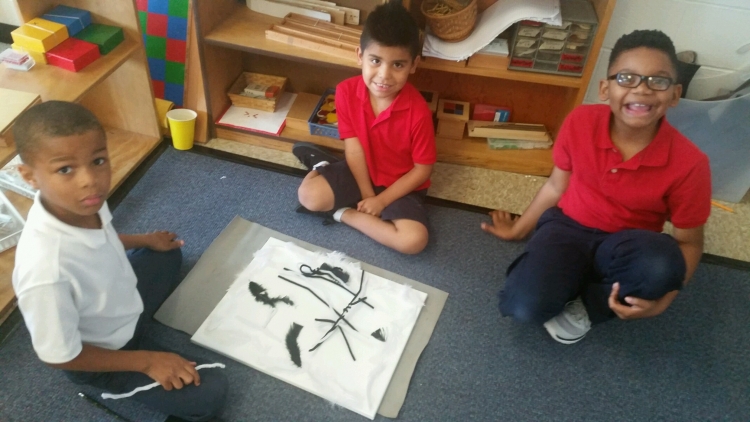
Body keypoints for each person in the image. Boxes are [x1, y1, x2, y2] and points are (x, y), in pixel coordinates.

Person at [481, 30, 711, 344]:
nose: (642, 89)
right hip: (566, 227)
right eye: (627, 78)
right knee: (523, 307)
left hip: (626, 246)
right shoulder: (579, 121)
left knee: (661, 265)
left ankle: (591, 305)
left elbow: (690, 244)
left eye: (658, 80)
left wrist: (664, 301)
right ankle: (573, 277)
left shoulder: (691, 163)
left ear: (674, 94)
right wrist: (518, 229)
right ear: (605, 89)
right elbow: (556, 186)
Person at [12, 101, 227, 420]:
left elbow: (102, 238)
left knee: (167, 252)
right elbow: (59, 356)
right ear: (29, 176)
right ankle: (120, 373)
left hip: (118, 302)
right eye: (65, 169)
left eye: (98, 161)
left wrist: (144, 240)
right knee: (211, 393)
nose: (90, 180)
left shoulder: (83, 202)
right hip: (102, 354)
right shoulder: (45, 272)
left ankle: (139, 328)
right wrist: (147, 361)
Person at [293, 1, 436, 255]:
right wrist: (368, 193)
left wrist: (380, 201)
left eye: (398, 65)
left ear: (414, 65)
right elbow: (354, 149)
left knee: (413, 241)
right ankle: (321, 165)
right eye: (375, 60)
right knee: (308, 196)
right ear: (360, 56)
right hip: (360, 171)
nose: (384, 75)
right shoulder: (345, 91)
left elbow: (422, 170)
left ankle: (343, 213)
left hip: (401, 185)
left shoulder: (419, 112)